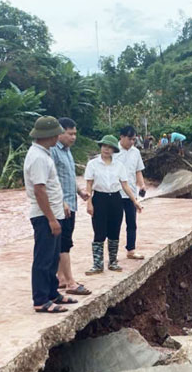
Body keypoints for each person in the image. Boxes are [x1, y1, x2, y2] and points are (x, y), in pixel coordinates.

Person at [24, 116, 76, 313]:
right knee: (43, 259)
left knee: (53, 257)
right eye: (56, 133)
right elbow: (39, 190)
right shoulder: (37, 158)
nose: (58, 137)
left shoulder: (44, 154)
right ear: (48, 136)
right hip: (45, 217)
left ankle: (52, 293)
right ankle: (40, 299)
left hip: (53, 214)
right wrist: (51, 219)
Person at [84, 135, 142, 273]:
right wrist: (89, 203)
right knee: (99, 231)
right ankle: (97, 265)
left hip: (116, 199)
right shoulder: (92, 164)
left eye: (110, 147)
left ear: (114, 150)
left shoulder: (119, 166)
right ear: (101, 147)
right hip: (99, 199)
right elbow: (89, 185)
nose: (106, 149)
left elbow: (125, 185)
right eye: (104, 146)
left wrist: (135, 201)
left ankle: (113, 262)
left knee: (114, 231)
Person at [51, 117, 90, 296]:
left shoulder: (67, 151)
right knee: (64, 243)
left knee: (65, 243)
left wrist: (80, 192)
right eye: (70, 133)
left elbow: (68, 177)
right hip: (61, 206)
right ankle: (71, 283)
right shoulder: (53, 152)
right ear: (60, 133)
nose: (73, 137)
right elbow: (52, 180)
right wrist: (62, 201)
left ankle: (61, 278)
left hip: (70, 203)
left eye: (75, 134)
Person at [117, 125, 147, 260]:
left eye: (134, 139)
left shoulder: (136, 152)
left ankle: (131, 250)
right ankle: (113, 254)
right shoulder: (113, 151)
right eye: (130, 139)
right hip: (115, 192)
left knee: (132, 223)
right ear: (122, 137)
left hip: (131, 194)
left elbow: (138, 170)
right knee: (114, 224)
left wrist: (142, 185)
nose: (132, 142)